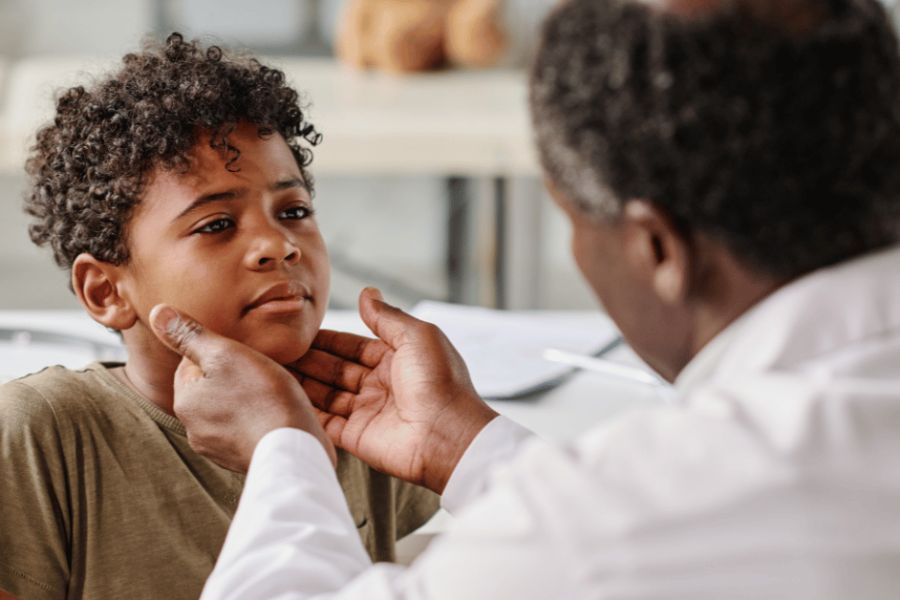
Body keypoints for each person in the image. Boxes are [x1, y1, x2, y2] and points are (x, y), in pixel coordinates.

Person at [148, 0, 900, 598]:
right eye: (216, 223)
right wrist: (470, 449)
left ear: (657, 250)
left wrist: (284, 449)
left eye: (574, 225)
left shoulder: (613, 525)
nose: (277, 247)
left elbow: (624, 540)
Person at [0, 33, 439, 600]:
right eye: (216, 225)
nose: (279, 246)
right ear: (106, 290)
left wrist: (451, 435)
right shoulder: (44, 434)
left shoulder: (359, 418)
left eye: (295, 210)